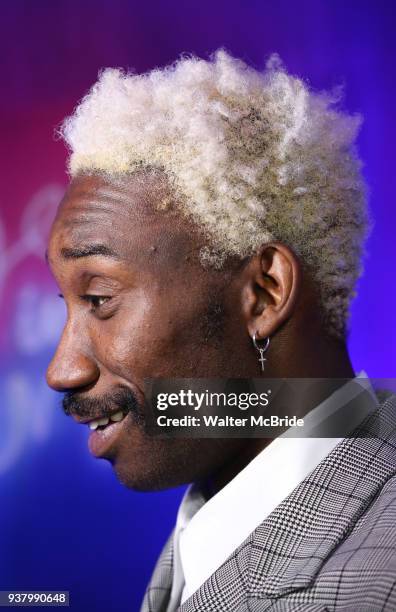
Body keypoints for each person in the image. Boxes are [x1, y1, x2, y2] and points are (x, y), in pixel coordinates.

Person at [45, 50, 396, 611]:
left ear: (264, 293)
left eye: (100, 299)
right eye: (66, 302)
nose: (62, 371)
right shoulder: (218, 521)